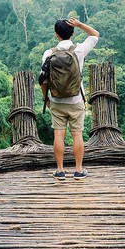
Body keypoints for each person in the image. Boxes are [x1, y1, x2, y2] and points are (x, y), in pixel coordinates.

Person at [40, 17, 99, 181]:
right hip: (76, 100)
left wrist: (47, 99)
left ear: (56, 35)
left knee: (58, 135)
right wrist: (80, 24)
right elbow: (95, 35)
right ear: (72, 33)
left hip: (56, 100)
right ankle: (79, 170)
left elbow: (43, 80)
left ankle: (60, 171)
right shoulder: (78, 50)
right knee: (77, 134)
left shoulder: (48, 54)